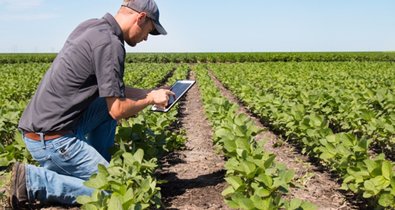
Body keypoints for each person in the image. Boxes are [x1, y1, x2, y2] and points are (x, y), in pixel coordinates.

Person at [8, 0, 174, 208]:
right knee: (115, 191)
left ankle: (96, 166)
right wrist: (150, 99)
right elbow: (118, 110)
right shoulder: (111, 45)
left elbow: (113, 91)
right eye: (149, 31)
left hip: (45, 128)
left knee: (104, 105)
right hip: (52, 140)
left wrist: (149, 92)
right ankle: (33, 181)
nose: (146, 38)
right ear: (140, 18)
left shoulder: (93, 27)